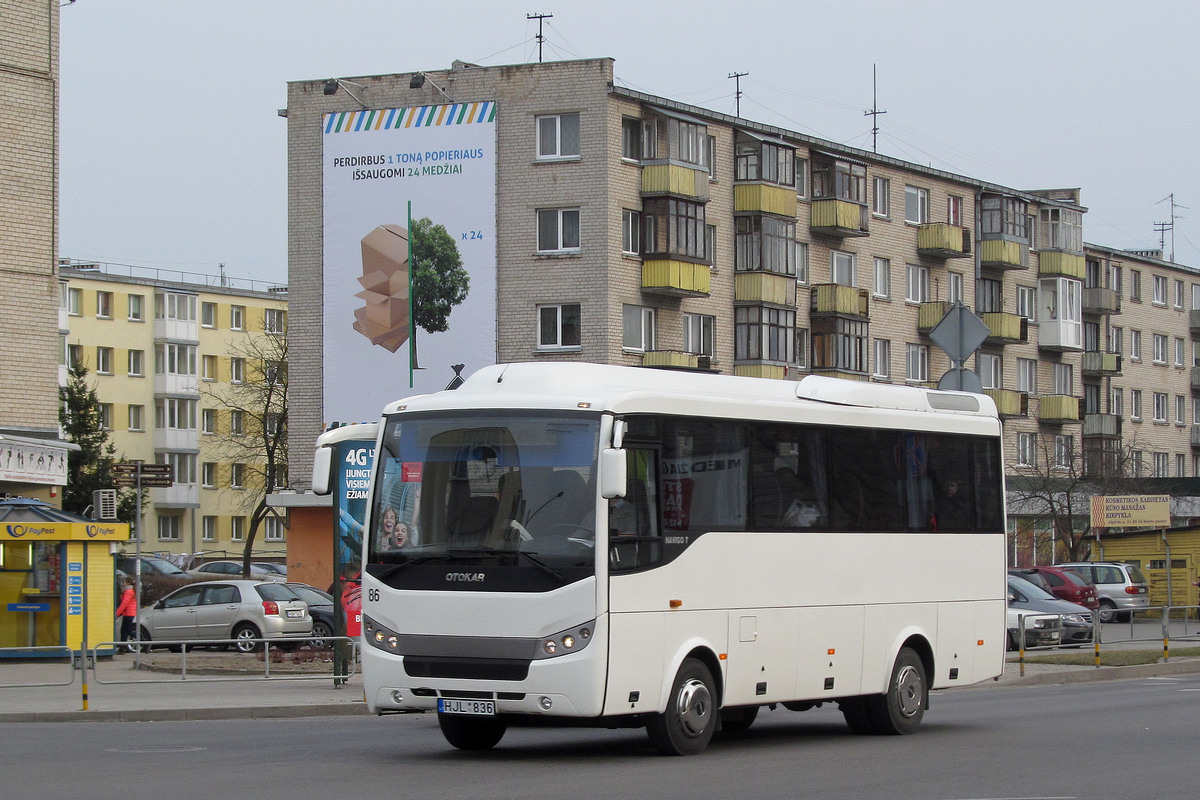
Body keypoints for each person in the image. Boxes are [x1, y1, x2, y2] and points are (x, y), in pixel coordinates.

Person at [115, 578, 137, 650]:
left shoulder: (129, 591)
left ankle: (143, 641)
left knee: (128, 630)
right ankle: (122, 648)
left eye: (124, 582)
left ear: (128, 583)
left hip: (129, 613)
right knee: (124, 631)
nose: (123, 584)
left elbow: (124, 603)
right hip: (128, 613)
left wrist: (117, 613)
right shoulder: (127, 591)